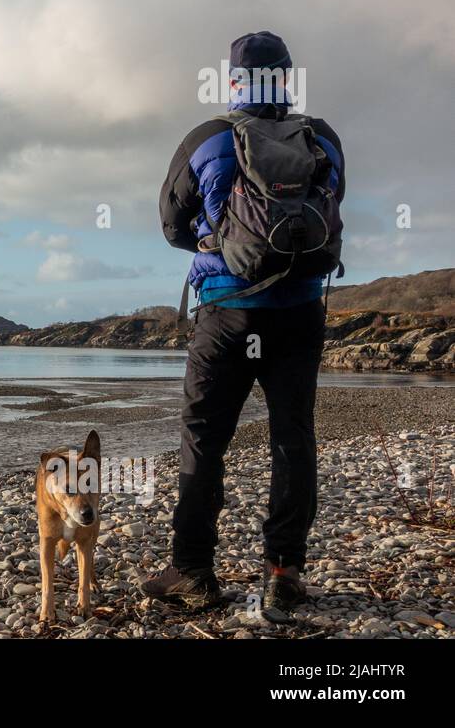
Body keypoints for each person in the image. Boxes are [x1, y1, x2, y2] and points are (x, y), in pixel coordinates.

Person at [144, 31, 345, 615]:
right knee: (292, 437)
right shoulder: (323, 138)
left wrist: (221, 244)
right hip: (300, 312)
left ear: (232, 82)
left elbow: (172, 227)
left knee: (205, 439)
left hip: (228, 314)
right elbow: (329, 213)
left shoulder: (205, 141)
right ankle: (284, 571)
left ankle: (193, 572)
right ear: (287, 80)